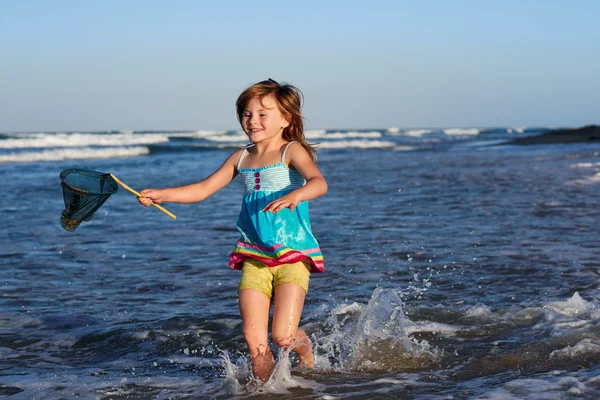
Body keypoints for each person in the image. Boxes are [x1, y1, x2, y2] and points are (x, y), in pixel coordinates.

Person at [138, 78, 327, 382]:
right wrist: (162, 194)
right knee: (255, 342)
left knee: (282, 335)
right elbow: (202, 189)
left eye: (263, 114)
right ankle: (264, 391)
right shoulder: (241, 157)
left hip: (294, 253)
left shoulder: (291, 151)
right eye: (247, 114)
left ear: (285, 119)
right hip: (253, 255)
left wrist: (295, 194)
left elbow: (319, 182)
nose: (252, 120)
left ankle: (305, 349)